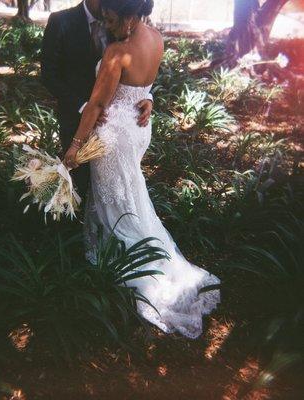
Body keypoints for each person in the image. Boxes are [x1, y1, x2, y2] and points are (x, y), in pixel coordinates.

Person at [62, 0, 220, 339]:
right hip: (137, 127)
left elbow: (96, 106)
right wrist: (149, 99)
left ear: (131, 15)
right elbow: (143, 86)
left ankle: (125, 259)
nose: (106, 24)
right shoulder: (156, 37)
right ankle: (120, 248)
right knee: (128, 192)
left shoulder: (117, 53)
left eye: (111, 18)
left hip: (114, 136)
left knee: (115, 198)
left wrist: (74, 147)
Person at [40, 0, 153, 200]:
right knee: (77, 181)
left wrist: (147, 97)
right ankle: (73, 226)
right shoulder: (61, 21)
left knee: (114, 188)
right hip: (75, 116)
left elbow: (143, 60)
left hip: (115, 128)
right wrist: (82, 106)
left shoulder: (121, 15)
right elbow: (49, 75)